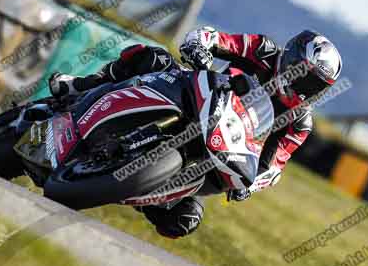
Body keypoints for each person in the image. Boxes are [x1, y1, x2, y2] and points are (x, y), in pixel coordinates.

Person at [48, 27, 343, 238]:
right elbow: (215, 38)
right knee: (152, 58)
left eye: (314, 86)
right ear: (290, 58)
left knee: (185, 220)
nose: (304, 88)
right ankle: (82, 86)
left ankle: (139, 188)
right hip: (195, 96)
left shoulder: (299, 122)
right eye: (303, 76)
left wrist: (250, 186)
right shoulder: (262, 50)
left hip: (219, 148)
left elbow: (274, 166)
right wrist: (200, 48)